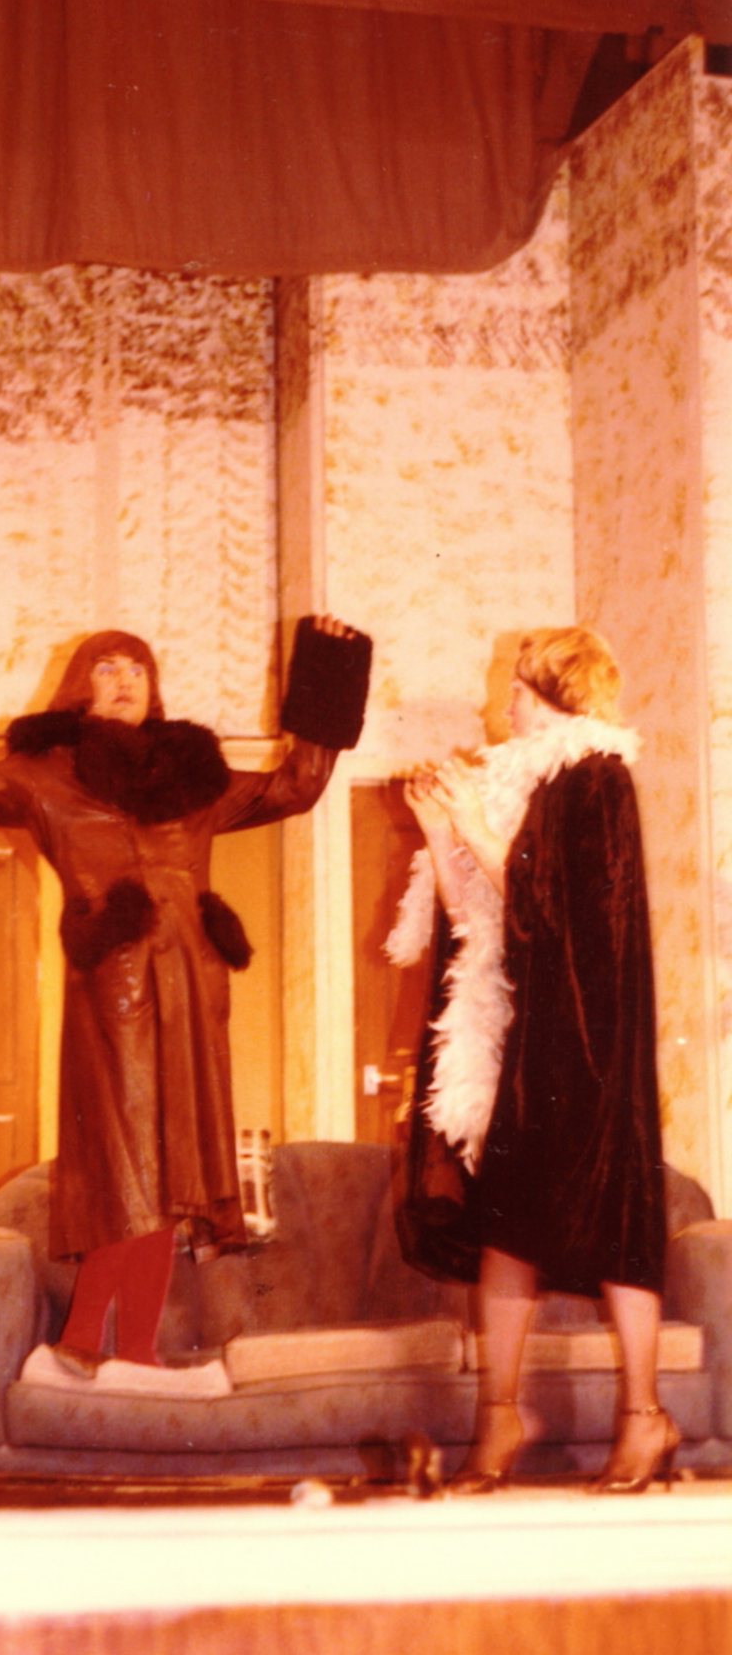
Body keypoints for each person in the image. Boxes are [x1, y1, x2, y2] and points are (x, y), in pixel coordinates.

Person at [0, 604, 371, 1375]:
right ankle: (92, 1342)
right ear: (79, 687)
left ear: (153, 687)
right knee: (127, 1166)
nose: (124, 680)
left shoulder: (194, 779)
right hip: (112, 986)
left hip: (195, 987)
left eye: (137, 669)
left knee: (170, 1173)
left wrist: (328, 677)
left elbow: (296, 786)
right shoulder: (46, 775)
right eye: (107, 668)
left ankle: (117, 1349)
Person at [388, 625, 673, 1494]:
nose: (501, 703)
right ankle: (500, 1420)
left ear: (555, 689)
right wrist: (442, 830)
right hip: (526, 1039)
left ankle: (644, 1418)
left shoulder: (596, 776)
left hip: (587, 1043)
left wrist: (475, 824)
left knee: (614, 1219)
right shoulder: (525, 781)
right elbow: (483, 923)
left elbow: (561, 920)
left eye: (514, 689)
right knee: (505, 1231)